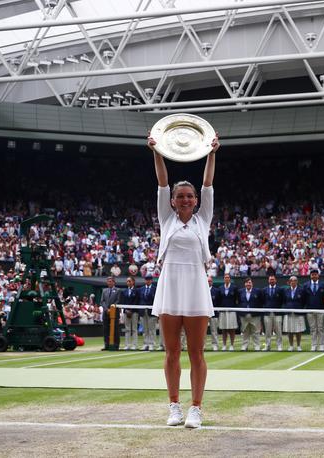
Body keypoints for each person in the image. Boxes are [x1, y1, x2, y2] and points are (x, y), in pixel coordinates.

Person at [148, 131, 219, 429]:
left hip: (196, 288)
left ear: (196, 200)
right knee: (171, 352)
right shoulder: (166, 217)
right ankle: (174, 406)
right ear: (173, 202)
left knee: (196, 352)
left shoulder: (203, 219)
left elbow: (208, 184)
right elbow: (162, 182)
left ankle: (196, 408)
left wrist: (212, 152)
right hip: (169, 287)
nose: (186, 199)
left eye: (190, 196)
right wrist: (156, 150)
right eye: (181, 196)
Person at [303, 269, 324, 351]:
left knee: (320, 328)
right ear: (310, 276)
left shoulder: (323, 285)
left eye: (315, 274)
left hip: (321, 310)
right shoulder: (306, 285)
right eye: (312, 274)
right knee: (313, 328)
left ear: (318, 275)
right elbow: (303, 298)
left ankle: (322, 345)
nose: (314, 276)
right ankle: (314, 345)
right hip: (310, 310)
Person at [238, 277, 262, 351]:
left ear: (252, 284)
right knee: (245, 331)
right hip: (244, 315)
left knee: (256, 331)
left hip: (255, 315)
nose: (248, 284)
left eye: (250, 282)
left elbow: (261, 302)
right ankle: (244, 346)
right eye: (247, 282)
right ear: (245, 284)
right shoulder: (240, 292)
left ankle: (257, 346)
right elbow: (239, 302)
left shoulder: (257, 291)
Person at [282, 276, 305, 351]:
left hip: (298, 313)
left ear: (297, 282)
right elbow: (284, 301)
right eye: (291, 281)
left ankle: (298, 345)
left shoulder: (301, 290)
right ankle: (291, 345)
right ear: (289, 282)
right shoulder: (286, 290)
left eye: (295, 281)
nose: (293, 282)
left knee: (298, 330)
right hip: (288, 313)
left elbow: (303, 301)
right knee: (290, 330)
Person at [262, 274, 284, 351]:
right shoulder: (264, 290)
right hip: (267, 313)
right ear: (268, 280)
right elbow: (263, 301)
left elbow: (282, 301)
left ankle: (279, 346)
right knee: (268, 331)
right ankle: (267, 346)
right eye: (270, 279)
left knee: (278, 331)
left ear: (275, 280)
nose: (271, 281)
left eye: (273, 279)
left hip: (277, 313)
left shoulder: (280, 290)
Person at [218, 273, 239, 351]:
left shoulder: (234, 288)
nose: (226, 279)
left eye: (228, 277)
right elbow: (219, 299)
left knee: (232, 329)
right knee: (224, 329)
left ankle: (232, 345)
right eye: (225, 277)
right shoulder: (220, 288)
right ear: (224, 279)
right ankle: (224, 345)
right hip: (223, 311)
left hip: (231, 310)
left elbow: (237, 299)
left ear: (230, 279)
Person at [100, 276, 120, 350]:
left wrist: (111, 308)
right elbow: (102, 301)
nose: (109, 282)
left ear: (114, 282)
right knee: (105, 329)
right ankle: (106, 345)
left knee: (115, 329)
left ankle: (116, 345)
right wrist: (106, 309)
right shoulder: (104, 290)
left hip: (114, 313)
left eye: (111, 281)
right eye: (108, 281)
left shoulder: (118, 290)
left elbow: (118, 301)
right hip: (105, 313)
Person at [139, 274, 158, 351]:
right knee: (145, 329)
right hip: (143, 311)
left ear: (151, 280)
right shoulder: (141, 289)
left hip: (151, 311)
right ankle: (145, 343)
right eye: (146, 279)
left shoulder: (155, 289)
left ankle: (152, 343)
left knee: (152, 329)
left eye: (149, 279)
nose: (148, 281)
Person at [121, 276, 139, 350]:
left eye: (129, 281)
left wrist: (131, 310)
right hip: (126, 312)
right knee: (127, 329)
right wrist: (126, 310)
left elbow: (137, 301)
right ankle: (127, 345)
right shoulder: (124, 291)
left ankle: (134, 345)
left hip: (134, 312)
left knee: (134, 329)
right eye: (127, 281)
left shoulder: (137, 291)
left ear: (133, 282)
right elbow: (123, 302)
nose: (128, 282)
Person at [207, 276, 221, 351]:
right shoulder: (202, 290)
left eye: (210, 281)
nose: (209, 282)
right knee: (202, 332)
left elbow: (219, 302)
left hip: (214, 314)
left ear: (212, 282)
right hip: (204, 314)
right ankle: (203, 345)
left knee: (214, 331)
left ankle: (215, 345)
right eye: (208, 281)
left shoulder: (216, 291)